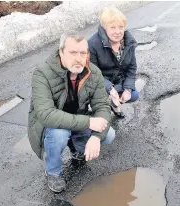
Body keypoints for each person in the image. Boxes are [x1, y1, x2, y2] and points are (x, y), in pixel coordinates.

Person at [28, 31, 116, 193]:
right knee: (59, 134)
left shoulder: (93, 72)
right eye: (73, 52)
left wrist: (96, 137)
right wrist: (89, 122)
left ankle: (76, 148)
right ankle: (53, 171)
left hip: (77, 120)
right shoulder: (42, 73)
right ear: (61, 52)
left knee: (108, 134)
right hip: (51, 126)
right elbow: (46, 115)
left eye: (83, 53)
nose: (78, 58)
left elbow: (102, 107)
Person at [88, 7, 139, 118]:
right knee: (100, 102)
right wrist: (110, 89)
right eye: (112, 27)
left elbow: (131, 68)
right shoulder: (92, 44)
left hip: (117, 81)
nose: (118, 32)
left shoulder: (128, 42)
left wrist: (128, 89)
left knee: (134, 95)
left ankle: (112, 102)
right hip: (99, 83)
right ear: (104, 28)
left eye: (121, 27)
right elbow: (93, 73)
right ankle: (102, 107)